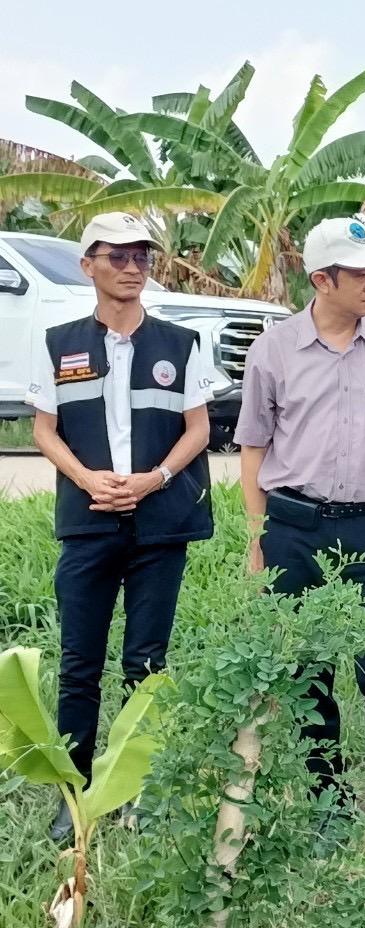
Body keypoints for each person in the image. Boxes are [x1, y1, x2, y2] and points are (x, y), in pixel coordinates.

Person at [235, 217, 365, 835]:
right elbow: (252, 448)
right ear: (321, 280)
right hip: (295, 524)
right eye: (359, 273)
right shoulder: (273, 350)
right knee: (309, 667)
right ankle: (327, 798)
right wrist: (257, 536)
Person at [26, 212, 214, 842]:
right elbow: (44, 430)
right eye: (118, 256)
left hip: (159, 522)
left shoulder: (180, 343)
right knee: (80, 663)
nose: (133, 268)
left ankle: (136, 790)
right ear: (89, 265)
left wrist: (154, 479)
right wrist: (87, 480)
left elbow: (199, 428)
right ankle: (72, 795)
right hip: (89, 523)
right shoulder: (56, 342)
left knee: (145, 661)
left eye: (143, 257)